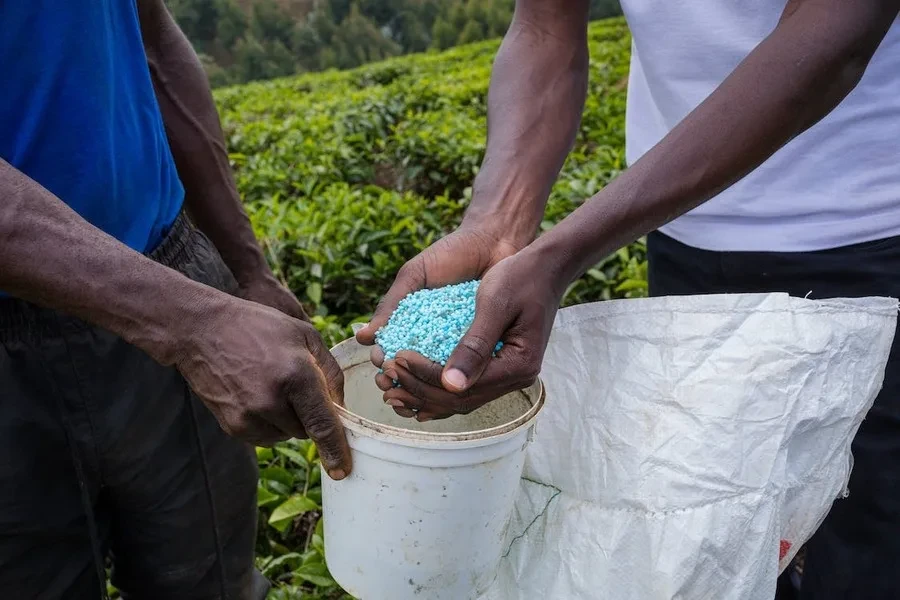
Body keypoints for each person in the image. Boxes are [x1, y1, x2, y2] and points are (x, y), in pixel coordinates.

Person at [356, 0, 900, 597]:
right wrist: (497, 226)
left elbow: (831, 38)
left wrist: (559, 256)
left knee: (870, 537)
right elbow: (545, 24)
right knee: (716, 524)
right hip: (680, 227)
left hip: (869, 233)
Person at [0, 2, 351, 598]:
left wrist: (247, 270)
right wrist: (192, 324)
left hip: (168, 270)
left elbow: (153, 40)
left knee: (211, 580)